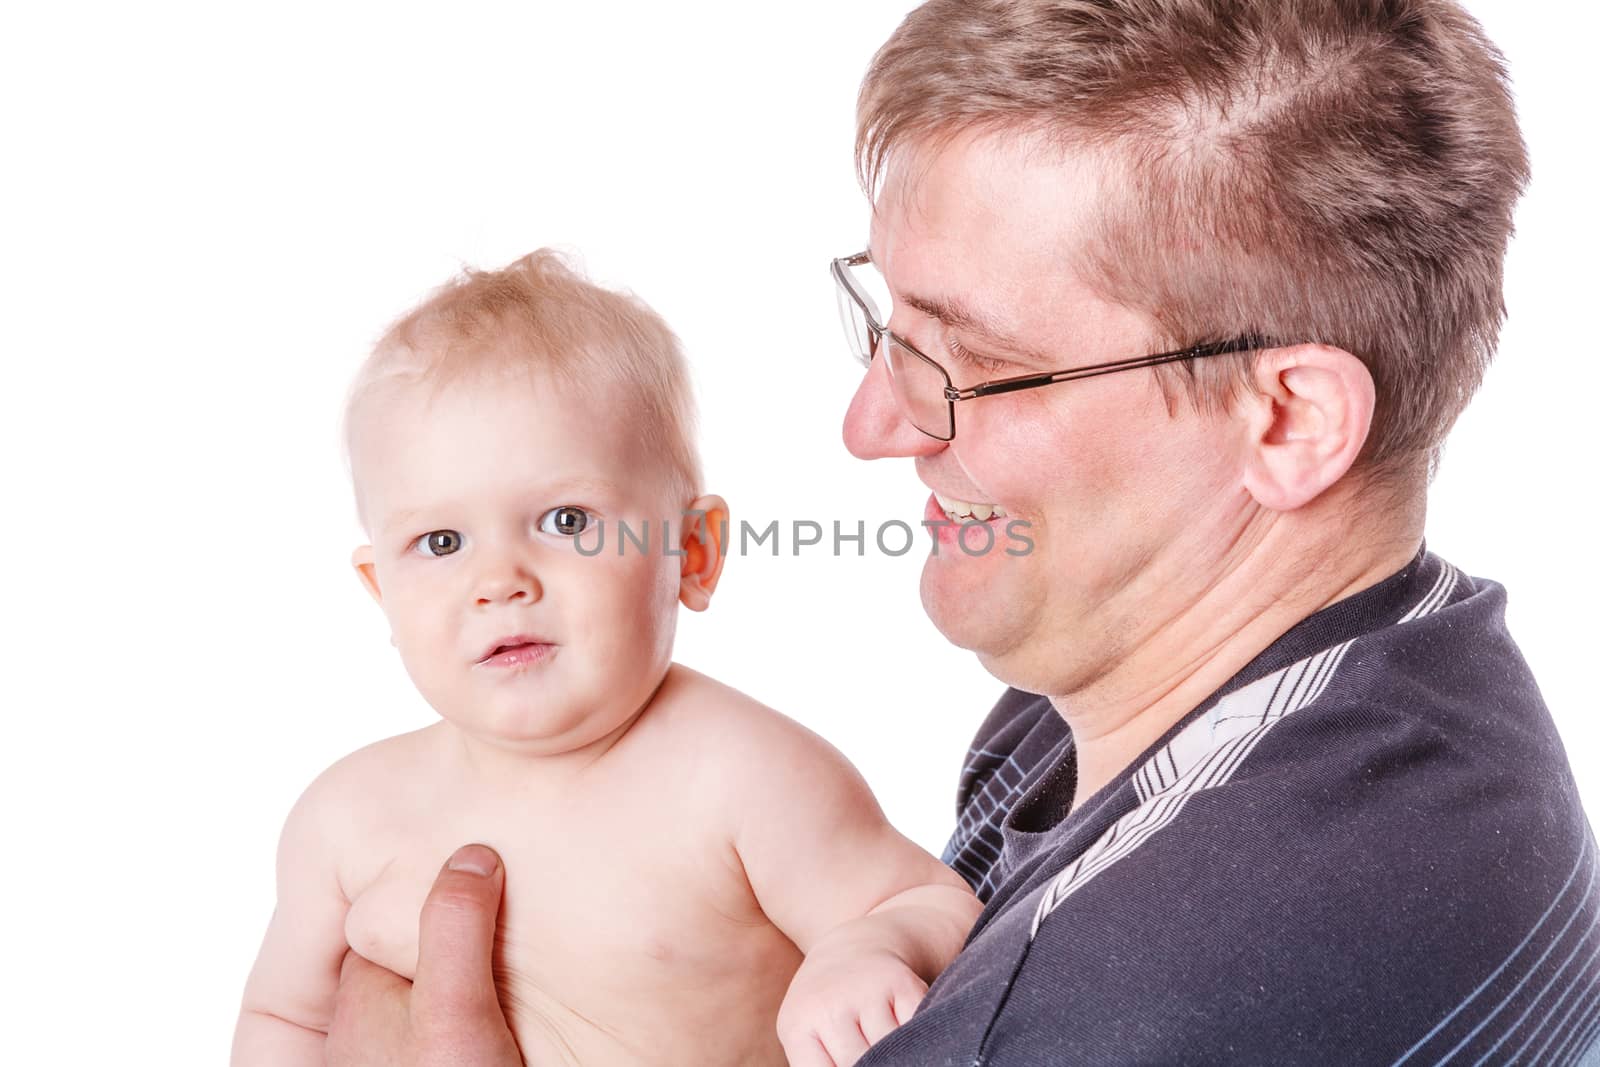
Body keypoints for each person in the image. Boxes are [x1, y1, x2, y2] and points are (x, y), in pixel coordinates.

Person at [326, 1, 1600, 1064]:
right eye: (891, 327)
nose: (871, 423)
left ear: (1286, 416)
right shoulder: (1396, 685)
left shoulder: (1130, 994)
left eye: (974, 363)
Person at [230, 249, 981, 1067]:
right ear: (382, 590)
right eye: (441, 541)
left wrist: (867, 949)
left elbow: (935, 901)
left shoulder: (741, 778)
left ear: (692, 553)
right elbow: (284, 1022)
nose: (500, 582)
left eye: (565, 521)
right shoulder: (344, 818)